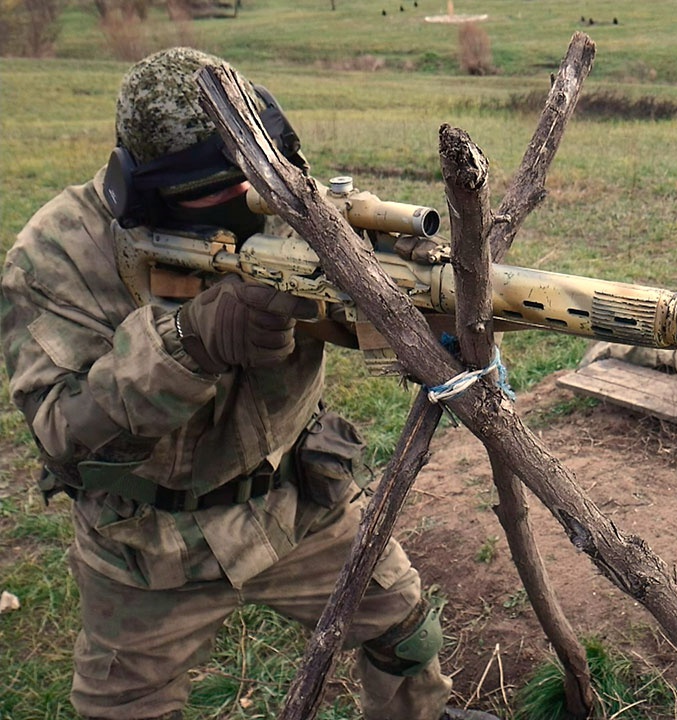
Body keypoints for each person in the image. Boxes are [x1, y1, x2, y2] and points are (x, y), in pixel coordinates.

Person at [0, 47, 497, 720]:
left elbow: (360, 319)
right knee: (123, 708)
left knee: (406, 635)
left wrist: (425, 317)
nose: (244, 206)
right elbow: (63, 436)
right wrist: (189, 343)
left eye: (253, 182)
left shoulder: (291, 204)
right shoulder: (59, 252)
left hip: (297, 504)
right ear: (138, 188)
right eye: (210, 194)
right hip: (147, 543)